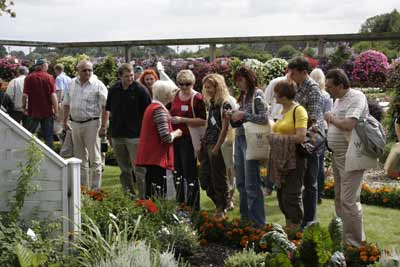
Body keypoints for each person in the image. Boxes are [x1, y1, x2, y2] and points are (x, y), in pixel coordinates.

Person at [325, 68, 370, 247]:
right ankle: (345, 237)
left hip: (353, 156)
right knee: (339, 198)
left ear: (341, 85)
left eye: (330, 87)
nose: (327, 90)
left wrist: (331, 118)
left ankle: (355, 244)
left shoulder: (356, 97)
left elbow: (349, 124)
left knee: (349, 201)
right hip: (338, 156)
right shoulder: (338, 99)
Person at [104, 63, 151, 197]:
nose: (130, 78)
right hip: (118, 135)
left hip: (135, 136)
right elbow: (110, 112)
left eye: (131, 75)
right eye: (126, 76)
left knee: (139, 169)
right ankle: (129, 196)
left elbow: (148, 114)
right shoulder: (113, 90)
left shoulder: (141, 90)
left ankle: (143, 197)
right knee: (124, 169)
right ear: (120, 76)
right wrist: (109, 133)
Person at [230, 65, 269, 226]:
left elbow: (265, 118)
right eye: (236, 81)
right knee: (241, 182)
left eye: (240, 80)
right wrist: (233, 117)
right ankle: (245, 219)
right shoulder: (244, 96)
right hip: (240, 138)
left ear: (248, 79)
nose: (238, 83)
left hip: (251, 140)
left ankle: (258, 223)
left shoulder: (257, 94)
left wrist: (243, 114)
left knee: (252, 183)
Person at [288, 56, 324, 227]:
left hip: (311, 143)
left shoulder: (313, 90)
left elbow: (314, 120)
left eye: (293, 73)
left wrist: (298, 130)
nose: (290, 76)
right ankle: (302, 219)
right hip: (300, 140)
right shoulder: (298, 87)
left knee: (310, 183)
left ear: (304, 72)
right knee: (300, 182)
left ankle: (310, 221)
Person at [63, 60, 108, 190]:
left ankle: (95, 191)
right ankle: (82, 190)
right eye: (84, 70)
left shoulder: (98, 85)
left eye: (90, 70)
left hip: (93, 124)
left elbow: (106, 107)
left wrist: (104, 126)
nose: (87, 72)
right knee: (80, 159)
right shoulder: (71, 84)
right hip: (75, 124)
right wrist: (65, 121)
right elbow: (66, 104)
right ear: (78, 71)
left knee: (95, 159)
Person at [269, 79, 308, 229]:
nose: (274, 96)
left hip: (294, 159)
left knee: (291, 195)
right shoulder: (281, 111)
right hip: (280, 160)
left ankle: (297, 230)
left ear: (284, 95)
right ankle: (289, 227)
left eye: (277, 93)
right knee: (281, 195)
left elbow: (300, 137)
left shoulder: (299, 111)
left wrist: (276, 138)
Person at [135, 81, 182, 198]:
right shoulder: (159, 110)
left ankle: (150, 213)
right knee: (158, 192)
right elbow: (166, 137)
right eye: (172, 92)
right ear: (166, 95)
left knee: (151, 190)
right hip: (156, 157)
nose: (174, 95)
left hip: (150, 156)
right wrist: (176, 133)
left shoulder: (151, 107)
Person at [170, 69, 206, 211]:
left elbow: (203, 120)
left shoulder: (197, 98)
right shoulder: (175, 95)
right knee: (177, 172)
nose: (184, 87)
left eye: (188, 84)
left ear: (193, 83)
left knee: (189, 173)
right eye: (181, 84)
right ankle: (180, 202)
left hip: (189, 139)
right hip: (176, 138)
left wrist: (183, 120)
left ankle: (193, 204)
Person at [199, 73, 233, 218]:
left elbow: (225, 128)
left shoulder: (225, 104)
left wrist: (217, 147)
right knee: (204, 178)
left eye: (210, 87)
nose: (207, 90)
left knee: (218, 178)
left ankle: (221, 207)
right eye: (206, 87)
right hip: (207, 143)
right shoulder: (212, 102)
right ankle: (221, 203)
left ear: (217, 87)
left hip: (217, 144)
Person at [23, 58, 58, 149]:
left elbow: (24, 95)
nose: (47, 67)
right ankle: (51, 157)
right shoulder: (49, 77)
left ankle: (29, 153)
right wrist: (56, 110)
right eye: (47, 65)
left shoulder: (29, 77)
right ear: (43, 66)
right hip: (47, 112)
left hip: (33, 111)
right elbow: (53, 96)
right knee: (48, 136)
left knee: (29, 134)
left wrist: (24, 107)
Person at [310, 68, 333, 204]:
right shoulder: (326, 95)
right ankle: (319, 193)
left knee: (312, 164)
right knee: (319, 163)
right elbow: (328, 114)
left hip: (311, 129)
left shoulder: (310, 93)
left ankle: (312, 191)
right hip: (322, 130)